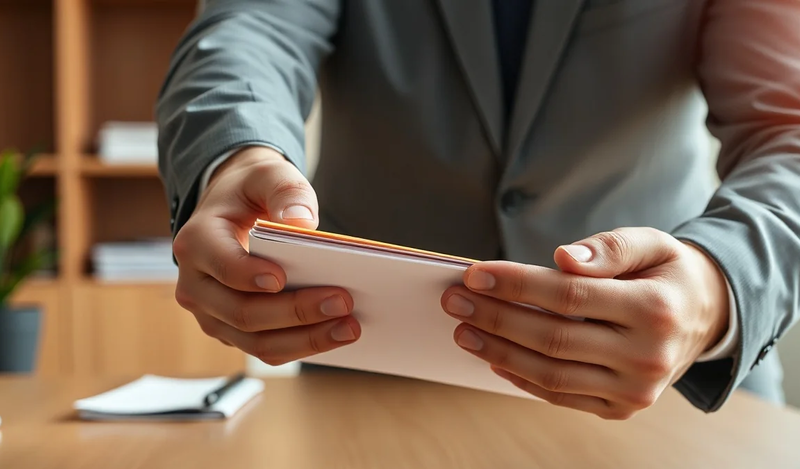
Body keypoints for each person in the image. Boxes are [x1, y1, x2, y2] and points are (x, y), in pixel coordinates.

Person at [156, 0, 800, 419]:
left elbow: (788, 128)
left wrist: (718, 283)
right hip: (375, 388)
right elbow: (249, 29)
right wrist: (235, 155)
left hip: (673, 393)